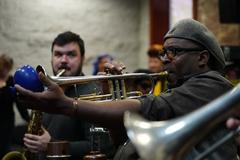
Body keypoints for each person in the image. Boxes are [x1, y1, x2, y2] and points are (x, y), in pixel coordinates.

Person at [16, 19, 238, 159]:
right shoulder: (178, 89)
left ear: (202, 58)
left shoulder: (212, 84)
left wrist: (68, 105)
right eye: (164, 53)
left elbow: (149, 107)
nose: (165, 60)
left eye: (174, 52)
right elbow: (123, 142)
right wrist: (116, 92)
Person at [23, 31, 115, 159]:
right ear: (51, 58)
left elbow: (102, 147)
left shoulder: (94, 93)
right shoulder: (45, 92)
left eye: (71, 54)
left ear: (82, 58)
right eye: (58, 54)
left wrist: (52, 145)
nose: (63, 60)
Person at [0, 54, 29, 158]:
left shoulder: (11, 81)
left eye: (7, 67)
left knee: (5, 147)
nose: (4, 70)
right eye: (3, 66)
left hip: (7, 121)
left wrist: (28, 119)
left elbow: (19, 103)